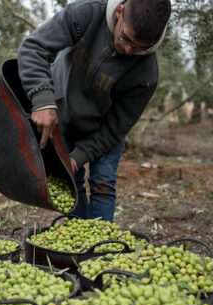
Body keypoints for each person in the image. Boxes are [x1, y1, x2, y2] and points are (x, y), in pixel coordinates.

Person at [17, 0, 171, 222]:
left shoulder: (147, 73)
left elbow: (115, 129)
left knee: (103, 184)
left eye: (140, 47)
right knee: (71, 185)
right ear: (119, 12)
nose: (129, 51)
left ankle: (100, 249)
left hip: (104, 129)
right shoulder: (87, 12)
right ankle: (74, 248)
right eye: (125, 39)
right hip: (62, 113)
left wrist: (78, 158)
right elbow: (34, 47)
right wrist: (42, 100)